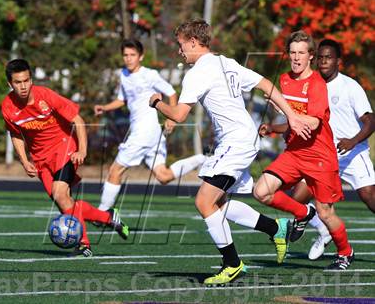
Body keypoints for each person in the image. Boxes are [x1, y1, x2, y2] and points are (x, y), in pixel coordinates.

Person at [149, 19, 311, 286]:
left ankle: (232, 264)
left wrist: (156, 102)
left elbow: (178, 114)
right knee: (219, 203)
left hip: (236, 142)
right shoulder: (226, 62)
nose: (180, 52)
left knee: (204, 202)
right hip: (239, 139)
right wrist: (291, 115)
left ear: (193, 42)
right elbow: (265, 84)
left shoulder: (198, 72)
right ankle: (275, 228)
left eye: (181, 46)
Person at [1, 59, 129, 258]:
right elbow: (15, 134)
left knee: (60, 195)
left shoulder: (45, 96)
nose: (24, 86)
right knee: (64, 202)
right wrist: (25, 161)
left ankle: (84, 244)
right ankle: (109, 217)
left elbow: (78, 120)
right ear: (10, 84)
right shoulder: (8, 107)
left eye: (26, 80)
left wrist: (82, 151)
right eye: (18, 82)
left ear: (31, 79)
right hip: (40, 158)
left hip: (64, 146)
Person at [262, 39, 375, 260]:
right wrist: (274, 128)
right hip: (320, 154)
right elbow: (299, 121)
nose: (324, 61)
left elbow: (371, 121)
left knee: (369, 197)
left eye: (328, 57)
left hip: (350, 153)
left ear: (338, 61)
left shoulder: (349, 86)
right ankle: (324, 232)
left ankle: (330, 235)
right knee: (299, 198)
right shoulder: (310, 84)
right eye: (321, 57)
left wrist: (352, 142)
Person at [94, 38, 206, 211]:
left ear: (141, 56)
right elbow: (121, 100)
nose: (128, 58)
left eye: (132, 55)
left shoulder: (149, 74)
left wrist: (172, 118)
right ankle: (202, 159)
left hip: (144, 132)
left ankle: (102, 213)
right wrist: (105, 107)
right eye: (125, 55)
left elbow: (171, 93)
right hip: (152, 134)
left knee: (114, 170)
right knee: (164, 176)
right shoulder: (124, 75)